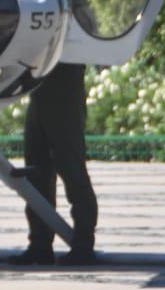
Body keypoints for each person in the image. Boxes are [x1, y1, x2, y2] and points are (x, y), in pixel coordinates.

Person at [12, 61, 99, 265]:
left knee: (71, 168)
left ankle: (83, 245)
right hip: (39, 88)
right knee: (36, 170)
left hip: (63, 89)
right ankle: (40, 244)